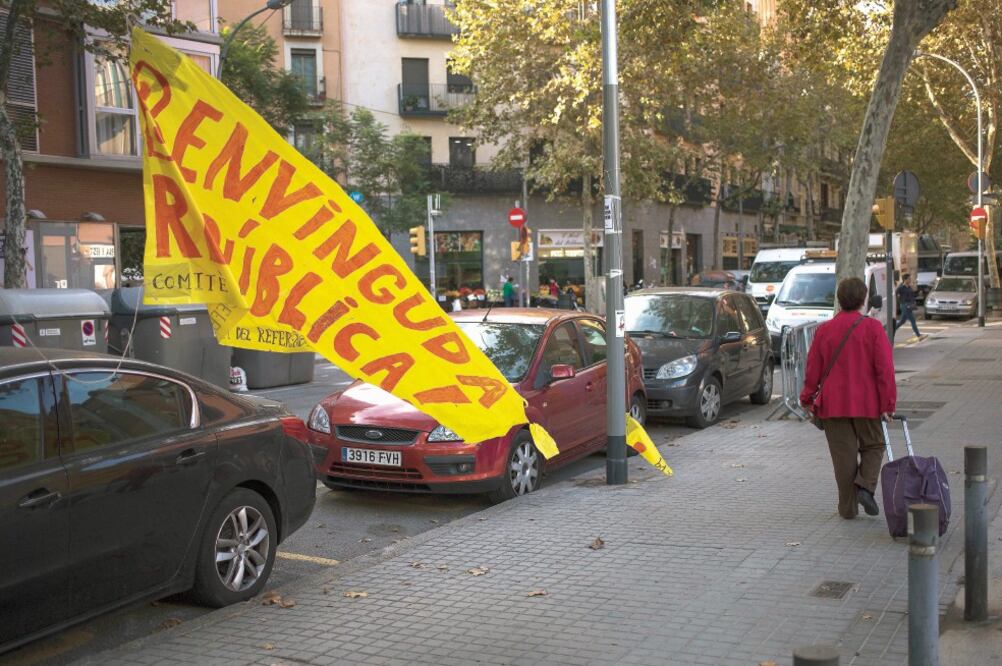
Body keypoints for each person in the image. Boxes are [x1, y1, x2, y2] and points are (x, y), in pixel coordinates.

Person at [800, 277, 896, 520]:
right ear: (863, 300)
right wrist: (888, 404)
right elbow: (884, 370)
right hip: (867, 403)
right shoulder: (873, 328)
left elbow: (813, 369)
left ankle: (848, 509)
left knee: (843, 457)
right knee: (874, 445)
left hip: (833, 404)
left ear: (839, 300)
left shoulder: (824, 330)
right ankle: (865, 486)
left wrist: (807, 398)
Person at [894, 273, 921, 338]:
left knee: (902, 322)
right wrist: (900, 301)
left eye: (910, 279)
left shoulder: (909, 287)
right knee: (913, 320)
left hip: (910, 305)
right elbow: (895, 294)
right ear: (905, 280)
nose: (910, 280)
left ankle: (891, 332)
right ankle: (919, 336)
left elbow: (912, 295)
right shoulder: (901, 287)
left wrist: (915, 299)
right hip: (904, 306)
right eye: (909, 279)